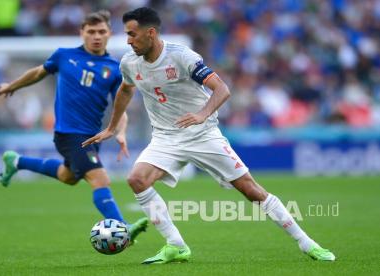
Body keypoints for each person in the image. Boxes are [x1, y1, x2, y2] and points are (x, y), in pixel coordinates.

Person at [83, 7, 335, 264]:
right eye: (127, 34)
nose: (128, 40)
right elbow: (126, 90)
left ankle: (307, 243)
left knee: (251, 190)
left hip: (202, 134)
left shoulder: (181, 56)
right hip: (165, 138)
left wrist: (203, 114)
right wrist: (112, 127)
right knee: (137, 179)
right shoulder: (129, 62)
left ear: (151, 33)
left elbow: (221, 88)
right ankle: (176, 245)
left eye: (132, 34)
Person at [0, 10, 147, 240]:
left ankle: (16, 161)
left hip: (92, 136)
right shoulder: (64, 56)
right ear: (82, 33)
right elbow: (38, 73)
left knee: (68, 176)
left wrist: (121, 131)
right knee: (100, 179)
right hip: (68, 133)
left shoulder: (114, 68)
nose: (96, 36)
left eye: (101, 32)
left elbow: (120, 106)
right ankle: (123, 228)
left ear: (109, 34)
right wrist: (13, 86)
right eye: (91, 32)